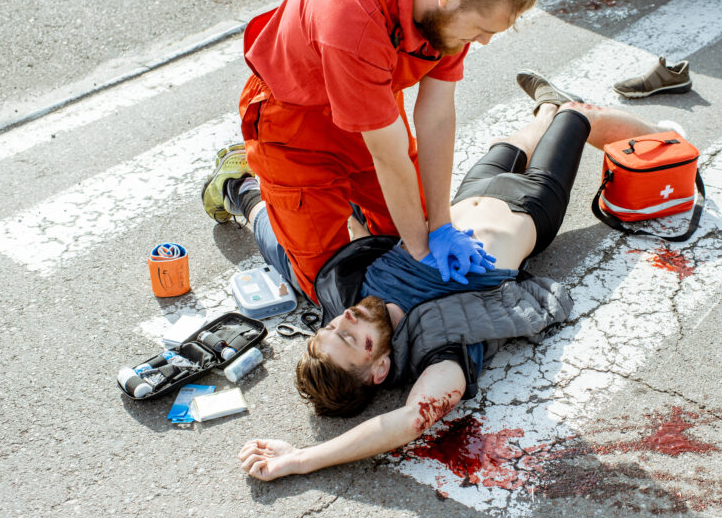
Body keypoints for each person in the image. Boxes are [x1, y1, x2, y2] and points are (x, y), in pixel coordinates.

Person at [233, 72, 687, 481]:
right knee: (576, 118)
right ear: (381, 369)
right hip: (532, 205)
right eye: (353, 339)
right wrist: (300, 459)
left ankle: (546, 104)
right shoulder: (439, 350)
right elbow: (409, 420)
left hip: (465, 198)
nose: (345, 319)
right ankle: (668, 144)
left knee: (523, 138)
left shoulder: (350, 292)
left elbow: (302, 247)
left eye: (334, 327)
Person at [201, 0, 541, 305]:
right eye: (480, 29)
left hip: (373, 103)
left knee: (414, 232)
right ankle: (244, 190)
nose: (483, 41)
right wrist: (418, 254)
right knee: (330, 283)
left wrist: (440, 226)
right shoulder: (355, 14)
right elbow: (388, 155)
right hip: (293, 121)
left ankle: (347, 208)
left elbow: (437, 117)